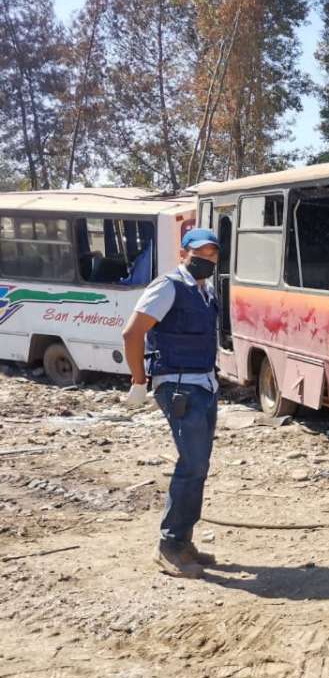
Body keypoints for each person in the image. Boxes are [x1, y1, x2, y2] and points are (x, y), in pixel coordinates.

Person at [122, 228, 221, 578]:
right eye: (200, 253)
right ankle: (169, 545)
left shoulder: (204, 291)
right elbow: (132, 333)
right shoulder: (168, 286)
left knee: (198, 466)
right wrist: (138, 381)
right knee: (191, 465)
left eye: (212, 255)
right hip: (179, 386)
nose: (206, 260)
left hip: (204, 384)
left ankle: (183, 542)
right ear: (183, 253)